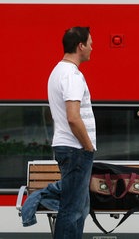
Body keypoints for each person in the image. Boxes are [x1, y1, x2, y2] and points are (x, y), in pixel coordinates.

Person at [47, 27, 96, 239]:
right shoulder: (71, 75)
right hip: (76, 150)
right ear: (80, 46)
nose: (92, 48)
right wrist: (88, 147)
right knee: (72, 210)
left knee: (78, 208)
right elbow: (73, 117)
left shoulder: (59, 71)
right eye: (91, 44)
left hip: (69, 148)